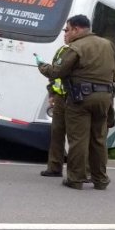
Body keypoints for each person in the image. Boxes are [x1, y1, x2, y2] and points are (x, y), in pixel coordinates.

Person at [37, 14, 115, 190]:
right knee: (98, 140)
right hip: (105, 98)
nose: (66, 33)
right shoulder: (108, 45)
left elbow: (57, 71)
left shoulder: (75, 47)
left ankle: (75, 178)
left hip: (81, 99)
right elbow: (114, 72)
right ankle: (100, 180)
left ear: (76, 29)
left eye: (67, 29)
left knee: (78, 139)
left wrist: (42, 66)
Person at [39, 40, 71, 178]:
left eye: (68, 31)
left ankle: (79, 172)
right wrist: (52, 94)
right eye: (65, 32)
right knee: (57, 133)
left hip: (74, 99)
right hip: (59, 98)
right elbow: (54, 75)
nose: (65, 35)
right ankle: (54, 167)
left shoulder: (78, 51)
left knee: (76, 136)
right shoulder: (61, 51)